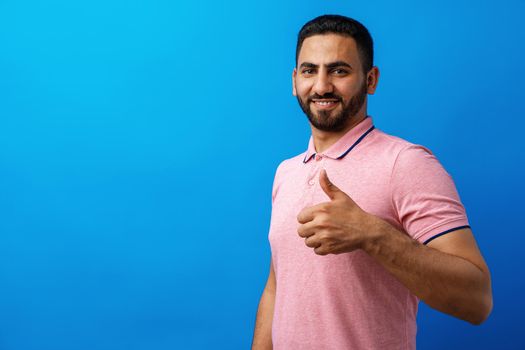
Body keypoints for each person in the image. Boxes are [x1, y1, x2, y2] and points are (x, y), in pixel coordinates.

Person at [251, 14, 493, 350]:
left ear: (371, 79)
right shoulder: (286, 173)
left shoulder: (405, 163)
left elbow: (477, 299)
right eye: (310, 70)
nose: (321, 86)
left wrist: (372, 234)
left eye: (339, 70)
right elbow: (278, 286)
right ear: (294, 80)